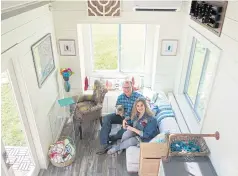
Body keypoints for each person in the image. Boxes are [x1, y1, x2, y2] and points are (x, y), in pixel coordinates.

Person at [96, 80, 143, 155]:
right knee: (107, 118)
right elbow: (118, 109)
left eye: (128, 87)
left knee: (122, 133)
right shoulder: (120, 97)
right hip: (122, 117)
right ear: (122, 88)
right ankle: (104, 144)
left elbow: (144, 107)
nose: (126, 89)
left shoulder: (138, 97)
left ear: (132, 87)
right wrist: (119, 112)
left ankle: (112, 138)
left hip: (132, 119)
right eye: (124, 87)